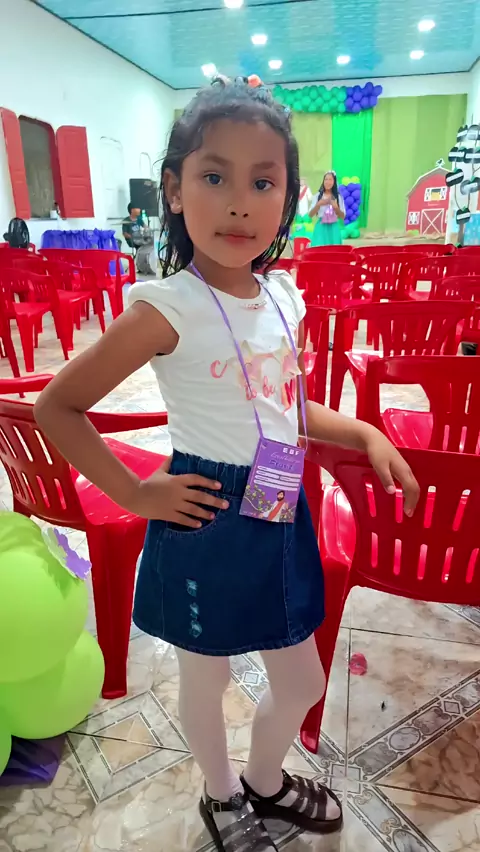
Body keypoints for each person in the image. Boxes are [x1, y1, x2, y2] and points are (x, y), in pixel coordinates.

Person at [34, 77, 419, 852]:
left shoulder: (283, 298)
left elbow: (286, 406)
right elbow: (57, 407)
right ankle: (221, 794)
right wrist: (135, 492)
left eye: (262, 182)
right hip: (205, 512)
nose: (240, 204)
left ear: (289, 199)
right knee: (204, 679)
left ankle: (265, 780)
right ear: (175, 190)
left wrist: (363, 432)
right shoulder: (164, 307)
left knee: (302, 680)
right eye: (215, 176)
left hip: (279, 505)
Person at [309, 171, 345, 246]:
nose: (328, 182)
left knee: (334, 250)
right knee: (319, 249)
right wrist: (318, 205)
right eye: (326, 179)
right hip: (321, 228)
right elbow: (310, 215)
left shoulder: (338, 197)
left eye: (330, 179)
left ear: (334, 182)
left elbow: (343, 216)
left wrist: (336, 208)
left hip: (334, 229)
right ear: (323, 181)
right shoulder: (317, 196)